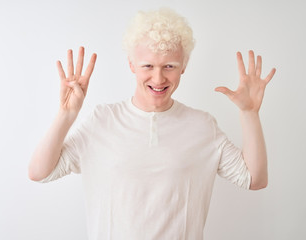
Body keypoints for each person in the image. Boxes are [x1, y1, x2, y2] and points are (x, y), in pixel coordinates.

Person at [28, 8, 276, 240]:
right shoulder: (101, 121)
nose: (158, 78)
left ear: (184, 68)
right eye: (148, 66)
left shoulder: (202, 126)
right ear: (131, 65)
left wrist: (250, 113)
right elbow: (40, 172)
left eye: (169, 66)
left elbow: (254, 179)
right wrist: (66, 114)